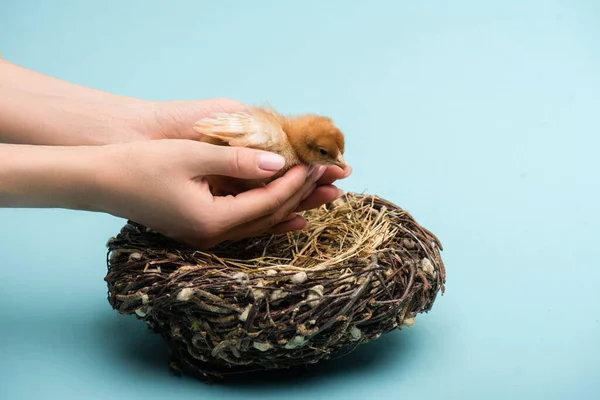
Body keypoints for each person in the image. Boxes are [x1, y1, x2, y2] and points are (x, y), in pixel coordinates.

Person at [0, 59, 350, 249]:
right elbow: (220, 133)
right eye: (325, 154)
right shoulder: (274, 141)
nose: (337, 163)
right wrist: (104, 179)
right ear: (306, 145)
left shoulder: (284, 139)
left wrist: (138, 127)